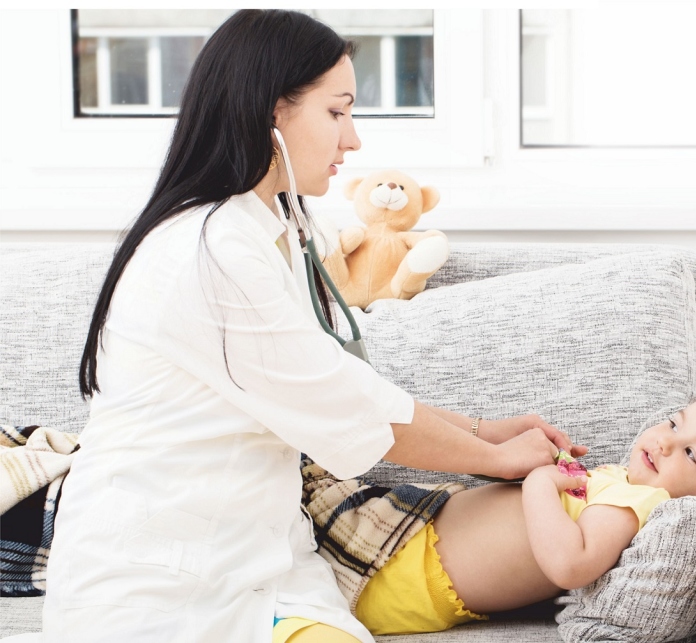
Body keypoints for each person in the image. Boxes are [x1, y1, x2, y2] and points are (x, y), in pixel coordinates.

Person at [42, 10, 582, 643]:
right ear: (273, 113)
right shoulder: (211, 250)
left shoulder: (273, 228)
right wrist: (491, 456)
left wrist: (483, 429)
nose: (352, 141)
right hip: (157, 589)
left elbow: (336, 385)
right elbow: (352, 409)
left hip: (264, 566)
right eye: (337, 112)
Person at [323, 386, 696, 636]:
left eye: (693, 454)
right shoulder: (623, 483)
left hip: (402, 571)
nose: (667, 443)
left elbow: (570, 562)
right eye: (674, 424)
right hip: (414, 530)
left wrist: (541, 482)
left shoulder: (639, 503)